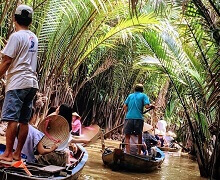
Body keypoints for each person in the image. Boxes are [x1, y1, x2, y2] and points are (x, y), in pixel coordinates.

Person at [0, 5, 38, 162]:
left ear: (14, 18)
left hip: (17, 83)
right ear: (30, 21)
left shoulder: (16, 36)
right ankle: (17, 154)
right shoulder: (33, 37)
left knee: (12, 119)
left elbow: (7, 60)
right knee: (24, 120)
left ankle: (8, 153)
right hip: (31, 83)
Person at [123, 84, 155, 154]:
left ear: (135, 89)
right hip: (139, 118)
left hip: (129, 118)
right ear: (142, 90)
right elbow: (147, 106)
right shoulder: (143, 96)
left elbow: (125, 106)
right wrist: (151, 106)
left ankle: (128, 153)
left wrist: (127, 113)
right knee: (139, 136)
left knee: (127, 136)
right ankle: (138, 153)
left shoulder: (130, 96)